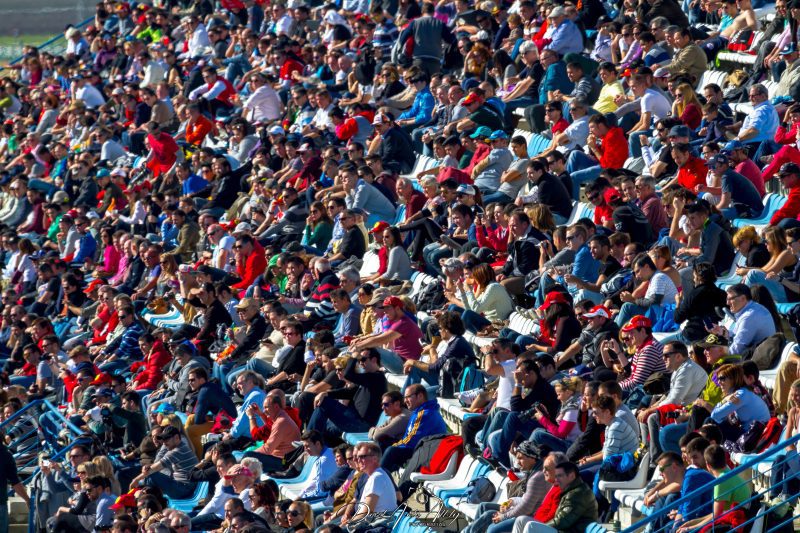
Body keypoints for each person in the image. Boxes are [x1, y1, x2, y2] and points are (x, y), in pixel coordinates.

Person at [637, 341, 708, 458]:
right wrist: (649, 408)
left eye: (666, 355)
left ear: (678, 356)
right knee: (643, 416)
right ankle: (646, 451)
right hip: (682, 409)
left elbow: (674, 400)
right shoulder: (679, 369)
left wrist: (650, 411)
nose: (663, 359)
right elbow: (670, 396)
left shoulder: (687, 369)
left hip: (692, 414)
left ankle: (654, 459)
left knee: (652, 418)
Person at [380, 384, 447, 473]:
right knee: (383, 443)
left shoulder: (425, 414)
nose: (405, 401)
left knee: (391, 451)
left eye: (408, 397)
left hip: (427, 453)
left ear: (420, 396)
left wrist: (393, 446)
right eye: (404, 398)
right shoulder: (418, 412)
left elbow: (411, 440)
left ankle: (379, 479)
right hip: (419, 448)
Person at [518, 461, 598, 533]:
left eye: (560, 476)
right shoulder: (571, 490)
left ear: (572, 476)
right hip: (563, 529)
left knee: (531, 526)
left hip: (570, 531)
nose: (556, 480)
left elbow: (562, 522)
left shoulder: (578, 494)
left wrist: (541, 525)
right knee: (521, 520)